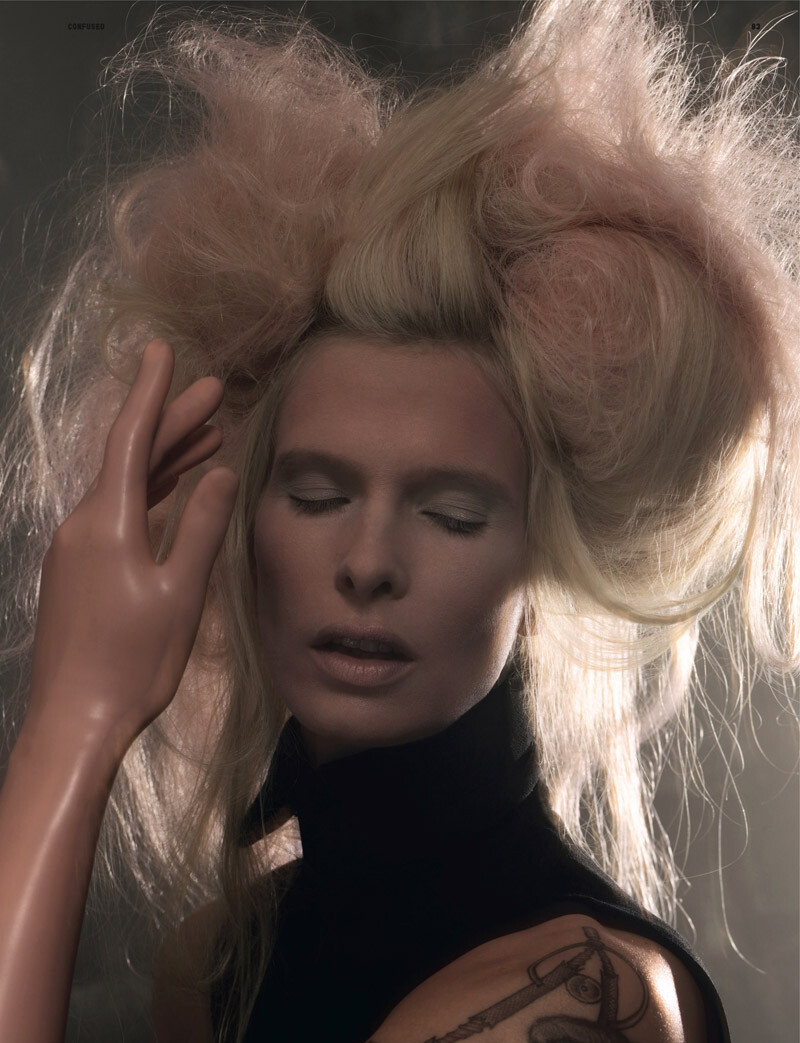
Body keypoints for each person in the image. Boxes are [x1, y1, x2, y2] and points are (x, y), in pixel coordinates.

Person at [0, 1, 797, 1041]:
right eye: (317, 496)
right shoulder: (216, 962)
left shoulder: (575, 994)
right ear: (241, 518)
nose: (368, 561)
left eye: (452, 515)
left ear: (539, 555)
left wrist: (71, 723)